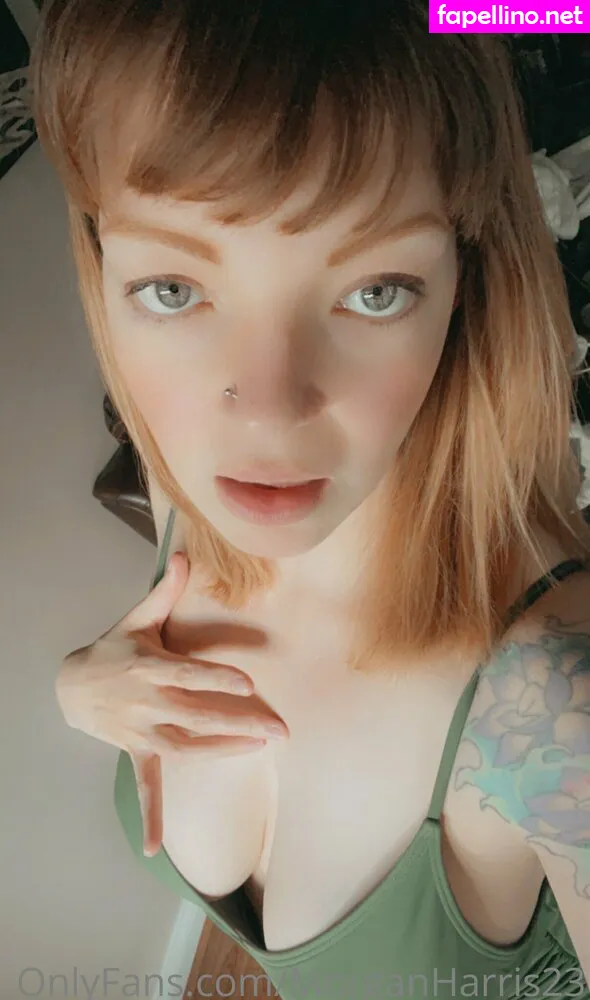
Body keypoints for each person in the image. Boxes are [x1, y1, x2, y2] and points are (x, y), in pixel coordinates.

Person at [31, 1, 590, 997]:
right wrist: (82, 688)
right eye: (173, 289)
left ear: (467, 279)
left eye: (374, 290)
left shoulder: (556, 703)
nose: (267, 415)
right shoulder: (186, 493)